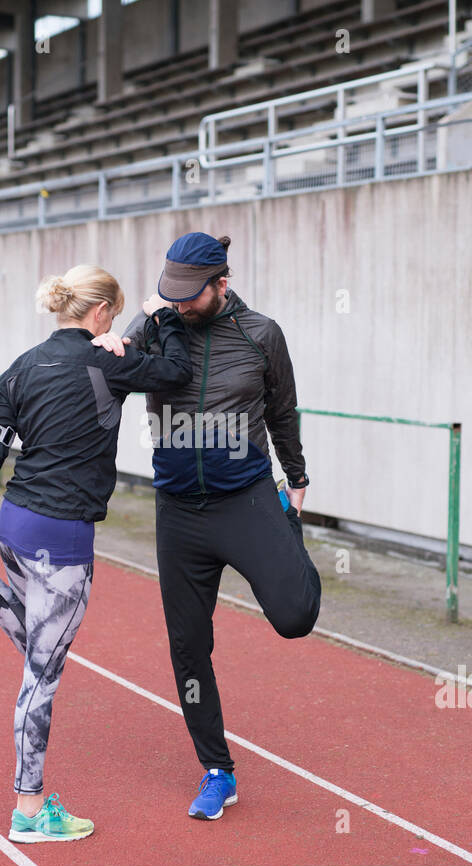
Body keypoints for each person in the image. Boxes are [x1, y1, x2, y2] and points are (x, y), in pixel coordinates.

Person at [0, 264, 192, 843]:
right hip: (64, 540)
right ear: (98, 314)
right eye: (113, 316)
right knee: (40, 677)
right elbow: (176, 370)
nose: (114, 327)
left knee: (39, 653)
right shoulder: (106, 361)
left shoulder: (21, 367)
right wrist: (165, 317)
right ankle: (28, 809)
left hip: (14, 525)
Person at [92, 232, 322, 821]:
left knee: (295, 617)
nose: (182, 305)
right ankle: (217, 770)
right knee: (188, 645)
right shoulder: (155, 328)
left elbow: (282, 410)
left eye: (191, 296)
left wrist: (295, 479)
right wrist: (119, 335)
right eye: (173, 295)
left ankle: (288, 541)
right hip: (177, 512)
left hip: (244, 499)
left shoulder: (261, 335)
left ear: (223, 283)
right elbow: (100, 374)